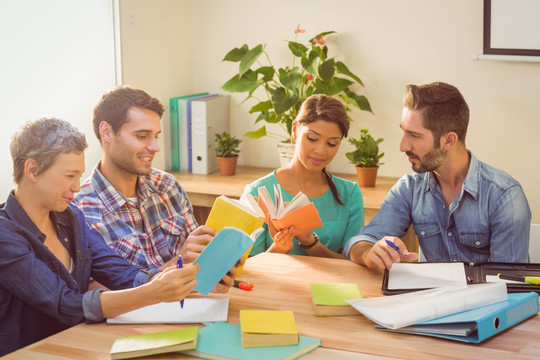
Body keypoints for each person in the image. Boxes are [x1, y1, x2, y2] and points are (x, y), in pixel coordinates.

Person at [0, 118, 201, 356]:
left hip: (79, 346)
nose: (77, 186)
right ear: (32, 170)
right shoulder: (5, 234)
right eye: (69, 176)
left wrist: (182, 281)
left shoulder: (71, 218)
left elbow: (122, 274)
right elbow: (66, 305)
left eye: (79, 176)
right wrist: (154, 291)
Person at [344, 82, 531, 270]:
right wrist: (369, 252)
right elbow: (360, 242)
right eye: (404, 132)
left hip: (487, 300)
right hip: (430, 298)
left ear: (449, 140)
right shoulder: (409, 189)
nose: (403, 146)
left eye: (414, 136)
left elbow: (508, 285)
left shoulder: (504, 196)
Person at [73, 86, 224, 271]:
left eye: (156, 136)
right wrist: (177, 263)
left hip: (196, 298)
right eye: (142, 136)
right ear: (106, 132)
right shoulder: (81, 211)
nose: (155, 147)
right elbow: (96, 295)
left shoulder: (168, 186)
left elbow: (199, 258)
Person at [244, 94, 364, 258]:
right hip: (273, 284)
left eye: (332, 143)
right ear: (295, 130)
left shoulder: (349, 194)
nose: (321, 151)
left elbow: (350, 266)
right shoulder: (257, 191)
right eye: (312, 138)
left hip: (331, 284)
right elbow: (247, 268)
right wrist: (279, 249)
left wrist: (310, 243)